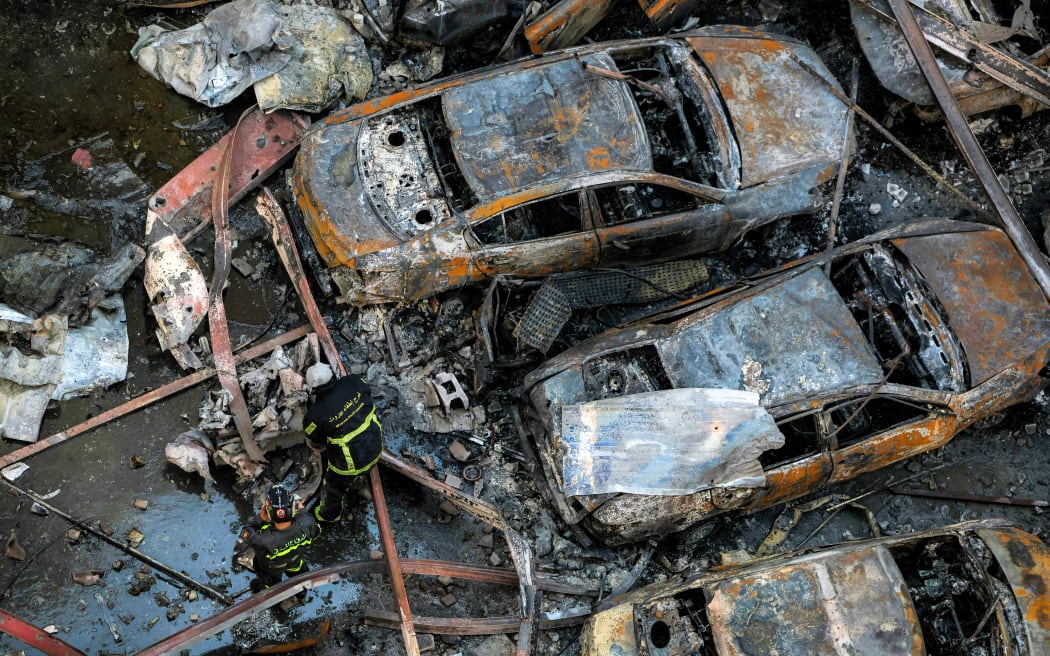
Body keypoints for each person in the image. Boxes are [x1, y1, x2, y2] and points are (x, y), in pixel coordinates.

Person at [303, 374, 384, 524]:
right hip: (376, 445)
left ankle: (327, 516)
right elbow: (367, 392)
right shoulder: (354, 381)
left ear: (314, 389)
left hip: (351, 464)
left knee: (333, 489)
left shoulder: (316, 414)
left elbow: (316, 442)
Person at [235, 484, 320, 593]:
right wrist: (302, 511)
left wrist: (260, 518)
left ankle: (271, 594)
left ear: (268, 513)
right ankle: (301, 593)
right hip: (295, 559)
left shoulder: (262, 539)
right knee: (299, 575)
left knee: (269, 584)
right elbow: (316, 532)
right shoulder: (307, 523)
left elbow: (246, 533)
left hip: (272, 568)